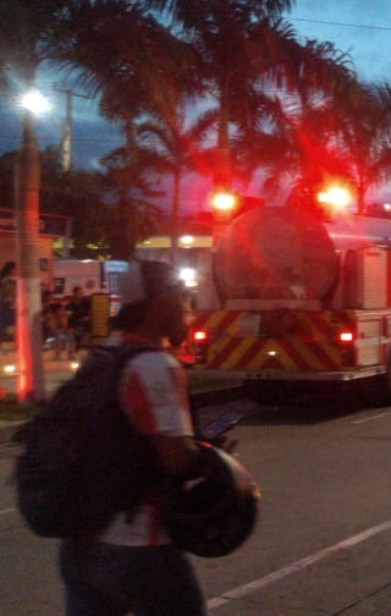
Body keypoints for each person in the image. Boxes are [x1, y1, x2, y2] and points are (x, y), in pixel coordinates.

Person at [58, 260, 210, 615]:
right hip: (139, 544)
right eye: (184, 300)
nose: (190, 311)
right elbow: (177, 458)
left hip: (81, 543)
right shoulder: (155, 365)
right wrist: (206, 454)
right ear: (159, 304)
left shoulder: (100, 358)